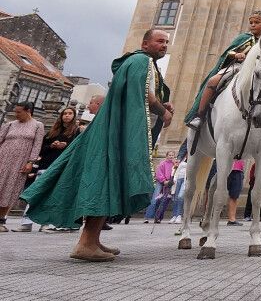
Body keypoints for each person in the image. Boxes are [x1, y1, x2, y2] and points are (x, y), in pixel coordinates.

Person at [21, 30, 174, 261]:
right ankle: (85, 244)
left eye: (166, 42)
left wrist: (160, 104)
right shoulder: (140, 61)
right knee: (104, 181)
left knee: (109, 181)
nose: (164, 45)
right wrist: (163, 112)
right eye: (159, 41)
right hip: (115, 134)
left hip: (114, 131)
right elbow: (141, 97)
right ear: (145, 43)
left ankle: (93, 240)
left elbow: (141, 96)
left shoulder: (140, 63)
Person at [187, 11, 261, 138]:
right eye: (251, 22)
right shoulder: (243, 38)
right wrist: (236, 55)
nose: (253, 25)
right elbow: (227, 53)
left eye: (257, 22)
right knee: (213, 80)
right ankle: (199, 115)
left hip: (259, 72)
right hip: (238, 68)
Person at [0, 103, 44, 232]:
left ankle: (1, 220)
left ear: (28, 111)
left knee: (10, 188)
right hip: (3, 158)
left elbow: (37, 145)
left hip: (20, 162)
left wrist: (31, 162)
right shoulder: (10, 124)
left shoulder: (37, 125)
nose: (16, 114)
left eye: (19, 112)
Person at [145, 151, 177, 223]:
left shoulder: (174, 164)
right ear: (166, 156)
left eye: (172, 155)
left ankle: (158, 217)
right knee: (155, 199)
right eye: (169, 155)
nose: (171, 156)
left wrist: (171, 181)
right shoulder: (162, 163)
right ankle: (147, 216)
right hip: (161, 182)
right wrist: (164, 181)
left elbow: (175, 173)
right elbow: (159, 173)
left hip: (169, 183)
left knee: (164, 201)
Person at [169, 156, 187, 223]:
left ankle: (179, 215)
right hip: (177, 180)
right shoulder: (179, 158)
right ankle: (174, 215)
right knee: (175, 198)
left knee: (180, 196)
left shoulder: (189, 159)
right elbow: (174, 168)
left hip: (185, 180)